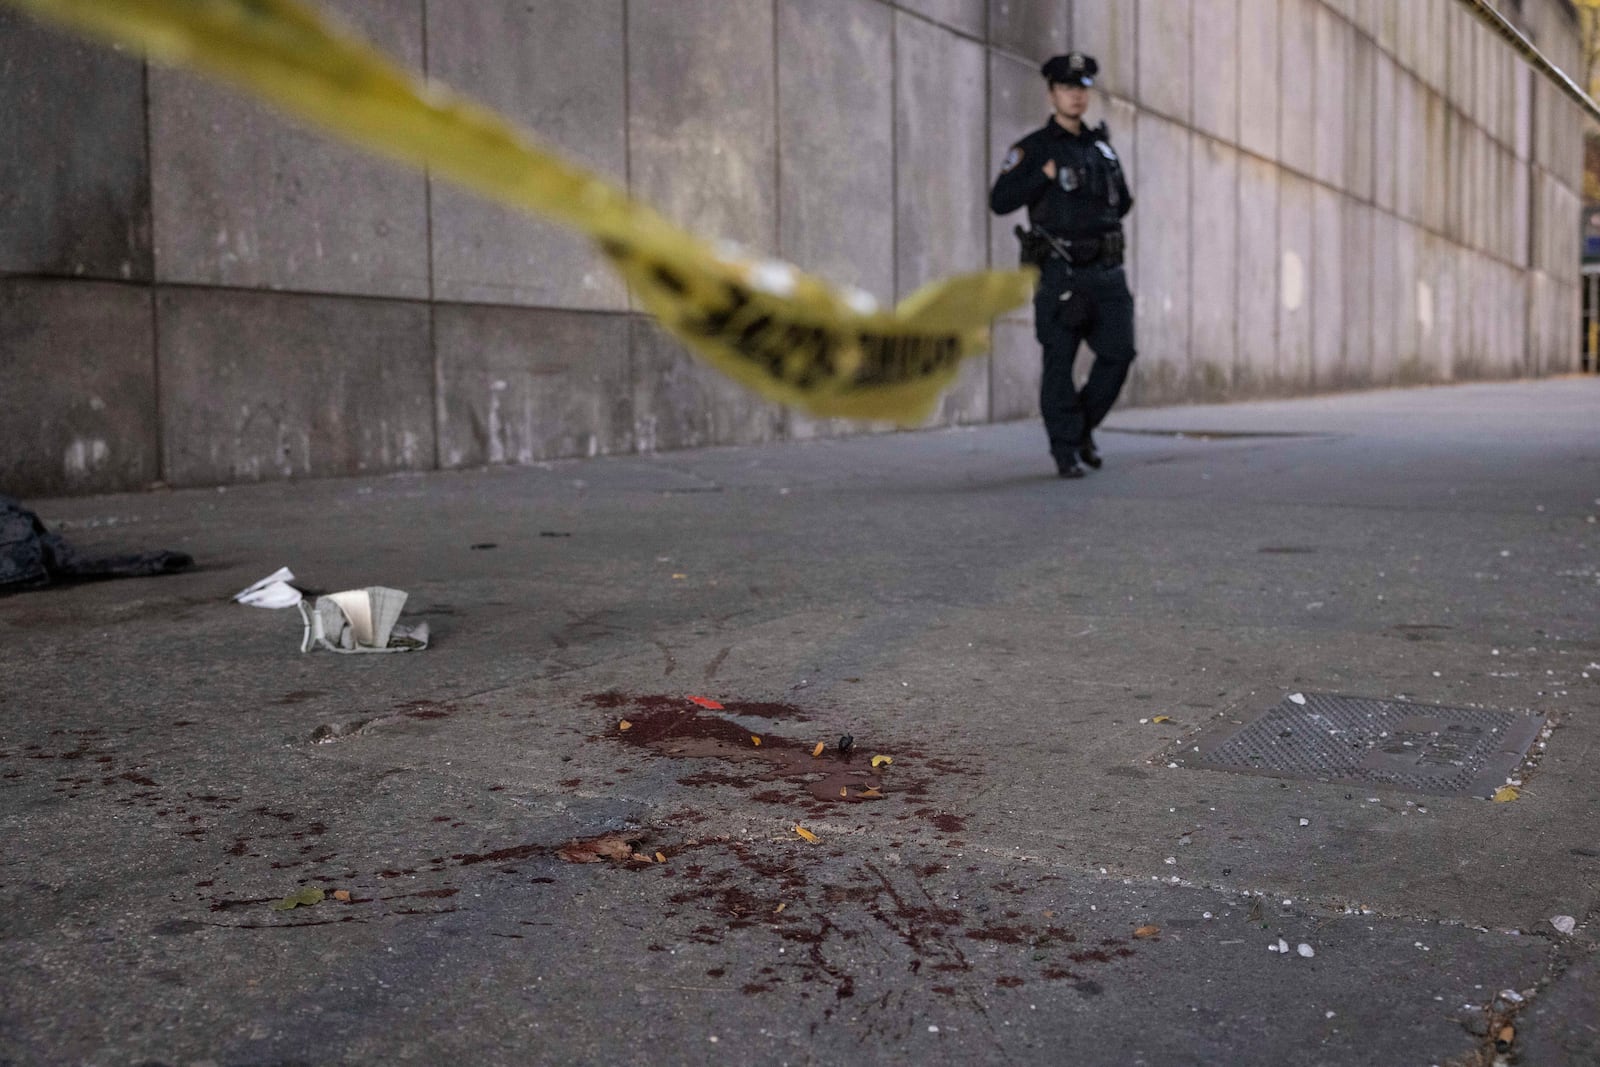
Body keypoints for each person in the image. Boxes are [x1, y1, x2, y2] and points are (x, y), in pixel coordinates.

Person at [990, 52, 1136, 479]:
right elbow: (1000, 201)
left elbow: (1123, 201)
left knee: (1120, 354)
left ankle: (1080, 428)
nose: (1076, 95)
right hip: (1061, 272)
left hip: (1107, 271)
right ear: (1052, 93)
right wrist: (1044, 176)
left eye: (1082, 88)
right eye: (1067, 88)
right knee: (1060, 360)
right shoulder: (1034, 149)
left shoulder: (1102, 148)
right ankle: (1065, 450)